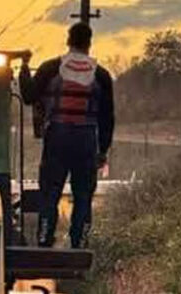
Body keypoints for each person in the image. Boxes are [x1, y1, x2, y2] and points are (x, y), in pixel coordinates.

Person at [20, 22, 115, 249]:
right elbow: (107, 118)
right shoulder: (101, 75)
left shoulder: (51, 68)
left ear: (68, 40)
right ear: (89, 44)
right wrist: (102, 151)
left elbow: (28, 96)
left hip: (57, 136)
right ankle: (79, 244)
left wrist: (24, 67)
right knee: (83, 196)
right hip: (86, 139)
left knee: (50, 193)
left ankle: (44, 240)